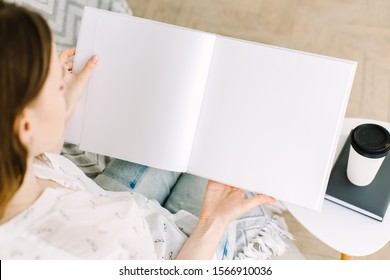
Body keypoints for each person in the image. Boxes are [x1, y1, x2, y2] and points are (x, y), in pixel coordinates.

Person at [0, 1, 287, 260]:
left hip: (115, 206)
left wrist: (65, 104)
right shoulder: (84, 254)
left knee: (187, 115)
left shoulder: (16, 167)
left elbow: (44, 164)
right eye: (57, 84)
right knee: (228, 124)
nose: (66, 80)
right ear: (25, 126)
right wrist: (214, 221)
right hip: (184, 253)